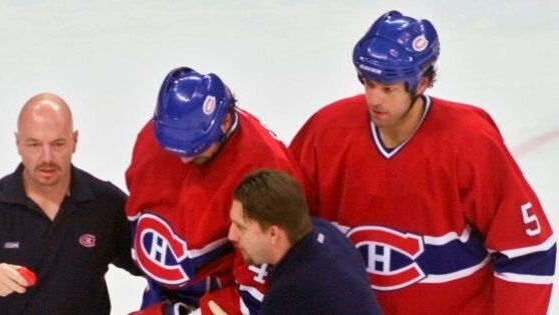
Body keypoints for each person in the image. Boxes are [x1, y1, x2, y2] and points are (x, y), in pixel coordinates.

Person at [289, 10, 556, 314]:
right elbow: (277, 226)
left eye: (388, 88)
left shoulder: (469, 143)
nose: (374, 99)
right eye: (368, 83)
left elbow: (529, 252)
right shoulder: (325, 132)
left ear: (421, 83)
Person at [125, 67, 309, 315]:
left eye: (195, 148)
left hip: (222, 302)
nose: (184, 160)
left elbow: (259, 289)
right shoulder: (161, 135)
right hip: (165, 292)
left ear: (225, 122)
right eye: (175, 149)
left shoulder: (266, 169)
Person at [0, 93, 140, 314]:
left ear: (74, 141)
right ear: (18, 143)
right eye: (34, 144)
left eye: (57, 144)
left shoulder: (106, 203)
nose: (47, 158)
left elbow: (157, 262)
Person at [225, 169, 382, 314]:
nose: (231, 235)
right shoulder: (326, 231)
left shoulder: (288, 296)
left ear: (273, 234)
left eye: (241, 227)